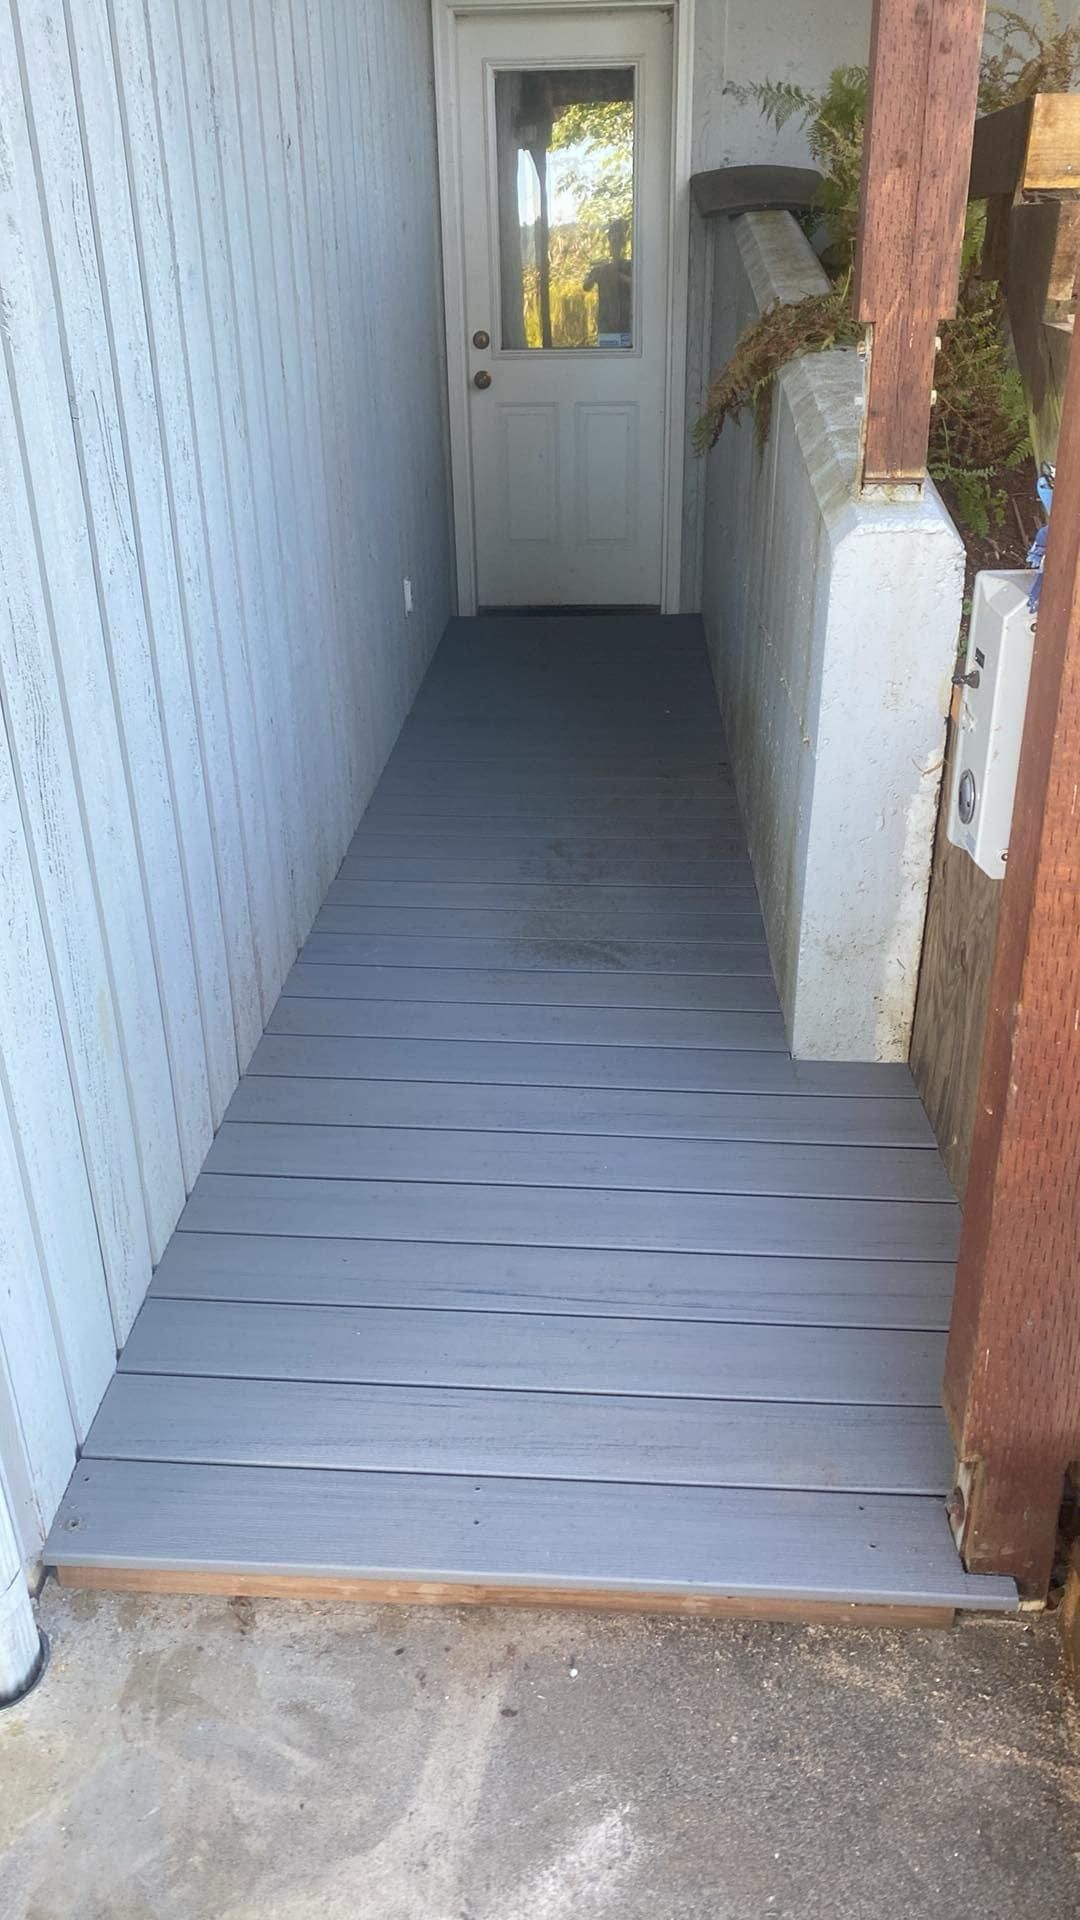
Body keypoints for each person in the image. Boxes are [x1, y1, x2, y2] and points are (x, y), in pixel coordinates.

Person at [584, 218, 632, 347]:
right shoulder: (602, 267)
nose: (614, 245)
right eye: (612, 241)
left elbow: (639, 287)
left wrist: (618, 276)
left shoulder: (630, 266)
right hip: (606, 325)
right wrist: (595, 276)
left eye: (618, 241)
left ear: (623, 243)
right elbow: (586, 286)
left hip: (626, 325)